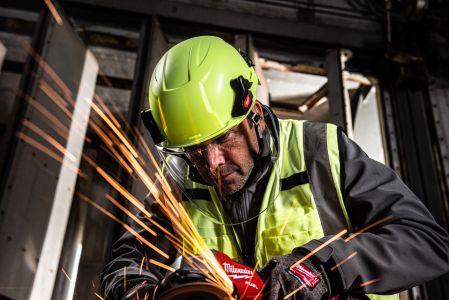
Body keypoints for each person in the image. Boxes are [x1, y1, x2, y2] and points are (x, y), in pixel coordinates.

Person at [100, 36, 449, 300]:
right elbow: (124, 266)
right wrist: (148, 293)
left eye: (223, 139)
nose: (211, 163)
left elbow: (425, 241)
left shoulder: (319, 152)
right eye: (194, 150)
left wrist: (321, 269)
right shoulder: (177, 181)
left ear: (251, 110)